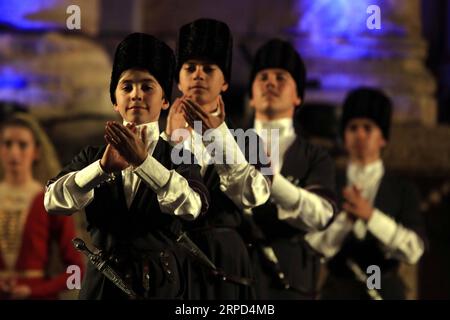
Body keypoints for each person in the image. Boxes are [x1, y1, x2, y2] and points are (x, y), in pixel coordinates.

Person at [44, 33, 209, 299]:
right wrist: (101, 169)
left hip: (161, 284)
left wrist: (144, 163)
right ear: (114, 100)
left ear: (165, 99)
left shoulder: (179, 157)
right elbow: (52, 200)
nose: (136, 95)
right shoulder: (93, 156)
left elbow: (193, 207)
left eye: (147, 87)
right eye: (127, 87)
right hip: (104, 283)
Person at [162, 18, 271, 299]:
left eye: (209, 69)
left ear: (224, 82)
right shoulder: (158, 138)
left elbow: (254, 197)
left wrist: (218, 137)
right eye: (190, 68)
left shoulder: (249, 138)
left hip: (225, 258)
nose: (198, 75)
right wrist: (175, 142)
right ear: (178, 78)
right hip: (172, 257)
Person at [306, 87, 427, 299]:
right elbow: (314, 247)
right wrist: (346, 221)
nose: (360, 135)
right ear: (344, 135)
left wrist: (370, 216)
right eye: (353, 128)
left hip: (384, 289)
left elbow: (414, 250)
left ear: (383, 138)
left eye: (368, 128)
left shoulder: (402, 189)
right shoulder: (329, 183)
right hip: (337, 292)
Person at [243, 39, 337, 299]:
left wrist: (273, 182)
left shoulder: (315, 156)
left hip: (290, 281)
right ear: (251, 96)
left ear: (298, 96)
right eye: (262, 77)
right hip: (234, 280)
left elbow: (321, 214)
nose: (270, 83)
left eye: (281, 77)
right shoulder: (230, 144)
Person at [0, 113, 83, 299]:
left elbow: (77, 273)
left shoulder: (51, 199)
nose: (14, 153)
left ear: (36, 151)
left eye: (22, 145)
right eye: (7, 144)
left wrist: (34, 291)